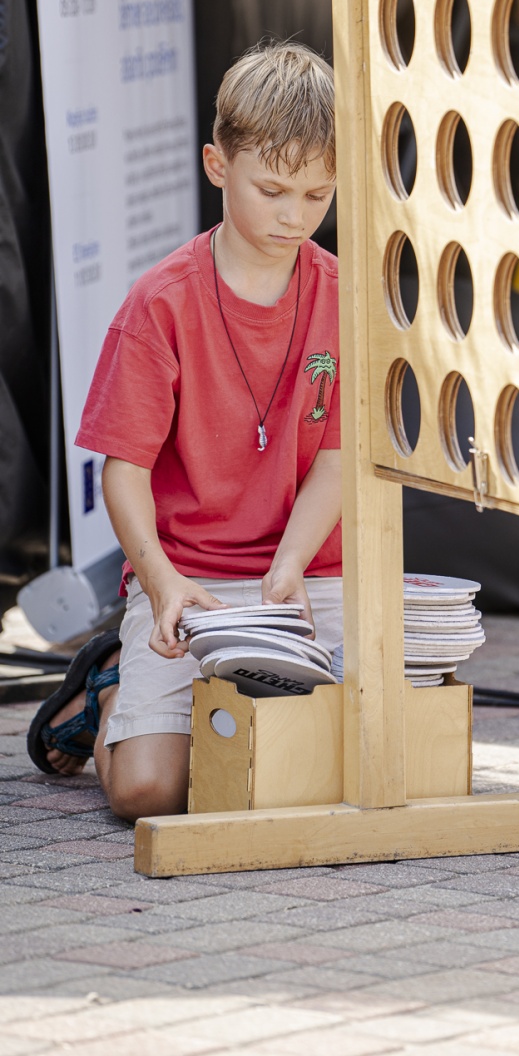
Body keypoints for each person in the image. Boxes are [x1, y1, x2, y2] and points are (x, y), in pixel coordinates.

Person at [27, 40, 343, 818]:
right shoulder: (160, 303)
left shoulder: (345, 296)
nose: (295, 216)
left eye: (317, 194)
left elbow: (338, 459)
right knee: (148, 793)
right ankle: (108, 691)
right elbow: (124, 471)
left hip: (306, 574)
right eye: (272, 191)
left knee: (349, 762)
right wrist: (163, 582)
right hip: (188, 575)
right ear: (216, 165)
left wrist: (290, 568)